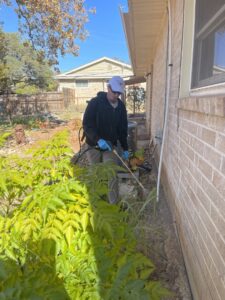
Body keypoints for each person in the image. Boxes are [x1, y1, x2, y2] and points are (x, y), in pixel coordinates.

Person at [82, 76, 129, 204]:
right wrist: (98, 140)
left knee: (111, 173)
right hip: (93, 144)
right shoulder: (95, 103)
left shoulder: (120, 107)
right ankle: (96, 202)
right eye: (114, 92)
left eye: (119, 93)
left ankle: (113, 204)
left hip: (110, 145)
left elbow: (122, 130)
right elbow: (87, 124)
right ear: (108, 88)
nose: (116, 95)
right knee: (96, 172)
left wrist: (125, 148)